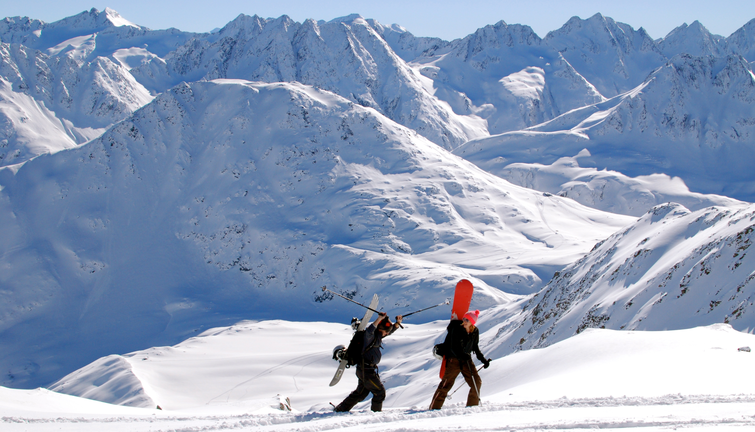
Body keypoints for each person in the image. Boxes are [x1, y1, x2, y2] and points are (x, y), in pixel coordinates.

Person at [334, 312, 403, 412]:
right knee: (379, 392)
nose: (387, 334)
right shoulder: (370, 337)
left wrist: (397, 323)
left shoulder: (378, 336)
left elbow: (390, 330)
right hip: (366, 370)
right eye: (386, 332)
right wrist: (379, 319)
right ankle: (376, 415)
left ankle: (341, 409)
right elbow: (370, 330)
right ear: (380, 329)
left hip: (365, 370)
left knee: (360, 393)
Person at [429, 309, 491, 409]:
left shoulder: (475, 331)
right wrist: (460, 356)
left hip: (467, 360)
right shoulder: (457, 329)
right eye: (464, 319)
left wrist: (484, 360)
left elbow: (475, 347)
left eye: (467, 320)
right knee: (445, 385)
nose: (464, 321)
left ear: (472, 323)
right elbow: (452, 347)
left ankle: (472, 407)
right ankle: (433, 408)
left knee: (476, 382)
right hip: (454, 360)